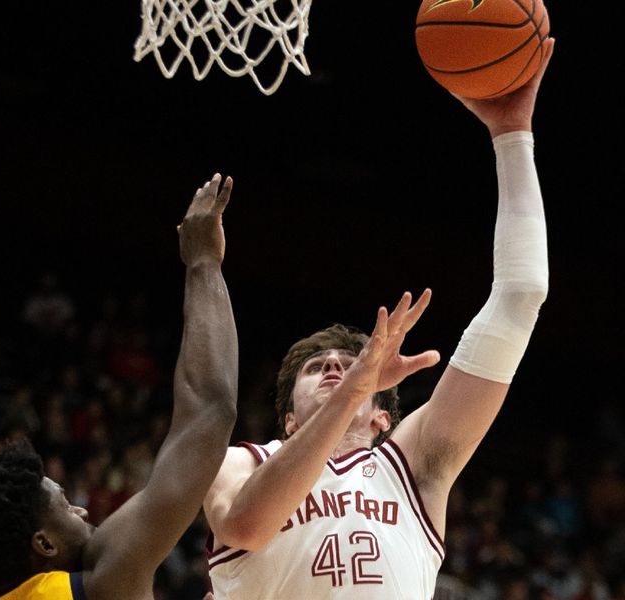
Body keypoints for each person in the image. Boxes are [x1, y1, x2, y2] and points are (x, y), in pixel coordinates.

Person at [203, 39, 555, 599]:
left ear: (382, 421)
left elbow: (522, 294)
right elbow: (246, 526)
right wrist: (355, 389)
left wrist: (512, 134)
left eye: (347, 365)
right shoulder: (238, 463)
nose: (336, 370)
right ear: (289, 420)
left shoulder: (413, 467)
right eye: (317, 368)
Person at [0, 173, 239, 600]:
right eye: (65, 506)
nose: (82, 509)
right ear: (44, 544)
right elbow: (210, 412)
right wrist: (204, 263)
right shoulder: (97, 583)